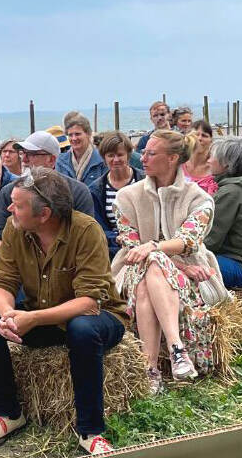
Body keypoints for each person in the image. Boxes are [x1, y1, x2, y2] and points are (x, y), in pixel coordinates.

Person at [0, 167, 127, 455]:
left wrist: (32, 319)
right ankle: (9, 414)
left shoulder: (86, 230)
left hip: (98, 319)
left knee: (81, 328)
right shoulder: (14, 228)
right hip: (43, 316)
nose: (9, 209)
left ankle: (90, 432)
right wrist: (8, 315)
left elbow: (89, 302)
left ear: (44, 215)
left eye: (18, 205)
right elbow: (3, 281)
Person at [112, 130, 227, 395]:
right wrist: (180, 265)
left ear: (173, 158)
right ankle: (177, 350)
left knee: (150, 270)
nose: (142, 158)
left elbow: (188, 240)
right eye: (144, 152)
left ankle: (150, 370)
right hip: (138, 270)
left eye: (151, 153)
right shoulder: (126, 197)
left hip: (186, 277)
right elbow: (132, 247)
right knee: (150, 266)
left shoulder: (200, 199)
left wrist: (153, 247)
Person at [0, 131, 94, 240]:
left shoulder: (77, 192)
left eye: (31, 154)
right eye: (23, 153)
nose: (24, 160)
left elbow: (86, 236)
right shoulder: (9, 192)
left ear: (51, 160)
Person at [90, 132, 145, 258]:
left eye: (120, 155)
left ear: (128, 155)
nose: (116, 160)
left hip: (144, 244)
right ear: (104, 158)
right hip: (113, 249)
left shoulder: (144, 180)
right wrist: (117, 238)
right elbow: (99, 228)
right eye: (110, 155)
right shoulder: (96, 189)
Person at [205, 137, 242, 288]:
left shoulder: (231, 192)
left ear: (226, 163)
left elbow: (210, 240)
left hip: (236, 265)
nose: (208, 161)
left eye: (212, 156)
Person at [56, 114, 106, 188]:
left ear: (88, 134)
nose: (74, 138)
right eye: (70, 135)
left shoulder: (102, 160)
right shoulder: (61, 161)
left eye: (77, 134)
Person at [182, 120, 217, 195]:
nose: (199, 138)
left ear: (211, 140)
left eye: (204, 135)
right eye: (196, 135)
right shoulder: (179, 164)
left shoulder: (215, 167)